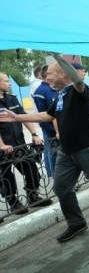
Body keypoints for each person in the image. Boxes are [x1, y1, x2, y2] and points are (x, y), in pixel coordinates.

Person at [0, 54, 89, 242]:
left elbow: (77, 79)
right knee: (61, 188)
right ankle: (76, 223)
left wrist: (58, 58)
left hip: (87, 147)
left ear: (63, 73)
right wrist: (17, 117)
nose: (47, 79)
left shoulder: (80, 89)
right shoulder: (61, 94)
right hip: (66, 150)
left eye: (51, 74)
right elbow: (47, 116)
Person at [0, 71, 50, 214]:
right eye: (5, 81)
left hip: (19, 144)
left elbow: (23, 116)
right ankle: (14, 202)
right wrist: (2, 145)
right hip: (3, 148)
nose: (9, 83)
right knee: (5, 177)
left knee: (31, 168)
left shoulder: (12, 99)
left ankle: (32, 196)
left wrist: (34, 134)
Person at [32, 65, 59, 177]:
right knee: (55, 155)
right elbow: (49, 114)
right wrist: (56, 131)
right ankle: (55, 177)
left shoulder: (52, 88)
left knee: (55, 154)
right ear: (45, 76)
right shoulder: (42, 91)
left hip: (57, 129)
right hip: (52, 130)